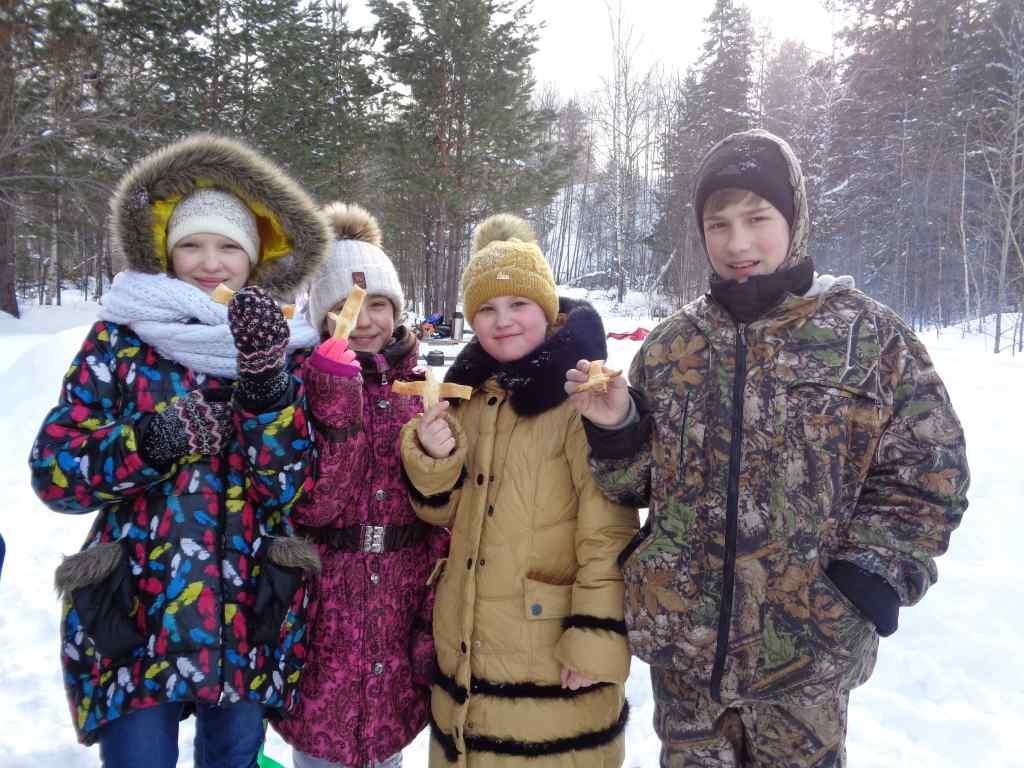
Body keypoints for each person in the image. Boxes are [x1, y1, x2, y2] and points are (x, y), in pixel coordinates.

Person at [565, 128, 970, 767]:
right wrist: (616, 427)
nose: (738, 243)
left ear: (795, 218)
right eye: (717, 223)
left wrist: (867, 579)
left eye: (758, 218)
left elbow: (929, 475)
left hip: (806, 662)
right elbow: (634, 488)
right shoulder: (673, 347)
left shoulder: (867, 339)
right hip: (686, 659)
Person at [29, 134, 330, 768]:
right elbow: (55, 474)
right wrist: (149, 441)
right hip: (137, 606)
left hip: (247, 604)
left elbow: (291, 486)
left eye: (228, 246)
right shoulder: (121, 337)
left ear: (255, 258)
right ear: (165, 251)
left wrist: (266, 383)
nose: (210, 262)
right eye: (191, 244)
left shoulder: (286, 347)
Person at [400, 214, 639, 767]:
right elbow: (442, 515)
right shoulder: (470, 393)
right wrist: (436, 459)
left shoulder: (584, 392)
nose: (502, 322)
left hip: (550, 654)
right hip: (468, 646)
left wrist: (596, 635)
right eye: (486, 308)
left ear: (548, 309)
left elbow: (609, 528)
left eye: (519, 305)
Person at [273, 203, 447, 768]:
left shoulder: (420, 389)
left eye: (378, 304)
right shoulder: (294, 384)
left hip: (399, 598)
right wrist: (334, 396)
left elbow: (441, 505)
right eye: (346, 307)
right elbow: (315, 504)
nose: (365, 320)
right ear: (322, 313)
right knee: (323, 741)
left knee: (384, 741)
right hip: (324, 602)